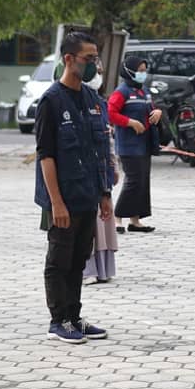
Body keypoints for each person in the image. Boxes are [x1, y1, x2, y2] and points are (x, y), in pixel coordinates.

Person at [34, 31, 112, 344]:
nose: (94, 64)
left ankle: (75, 317)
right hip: (61, 197)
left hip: (87, 195)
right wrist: (56, 203)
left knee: (80, 259)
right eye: (88, 59)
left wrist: (105, 194)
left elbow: (101, 151)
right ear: (69, 59)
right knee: (59, 260)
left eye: (95, 58)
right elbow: (46, 156)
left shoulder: (93, 100)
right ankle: (58, 320)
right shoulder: (51, 101)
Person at [107, 56, 162, 233]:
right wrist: (130, 122)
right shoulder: (121, 92)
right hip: (129, 145)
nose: (142, 74)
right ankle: (117, 218)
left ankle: (135, 220)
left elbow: (151, 108)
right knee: (133, 181)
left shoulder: (143, 91)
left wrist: (158, 112)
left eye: (145, 70)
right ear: (129, 71)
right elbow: (110, 113)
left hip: (144, 143)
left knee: (142, 182)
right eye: (139, 70)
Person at [84, 69, 120, 282]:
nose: (97, 75)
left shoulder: (101, 103)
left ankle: (103, 269)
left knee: (103, 219)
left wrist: (112, 165)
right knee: (88, 223)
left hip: (101, 169)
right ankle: (87, 269)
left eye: (99, 71)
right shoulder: (69, 101)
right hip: (82, 171)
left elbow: (108, 139)